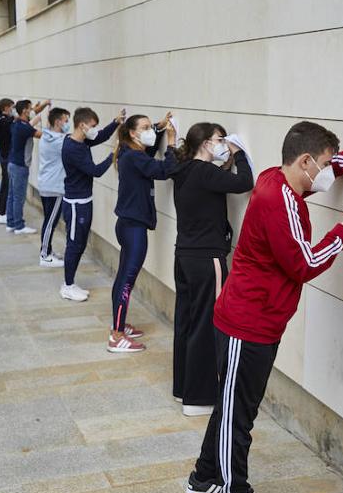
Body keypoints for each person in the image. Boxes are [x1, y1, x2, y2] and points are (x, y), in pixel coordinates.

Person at [185, 121, 343, 493]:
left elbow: (326, 167)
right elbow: (304, 263)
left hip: (253, 318)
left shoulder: (275, 179)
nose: (326, 173)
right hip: (249, 323)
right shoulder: (280, 201)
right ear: (303, 162)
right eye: (323, 165)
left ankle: (205, 476)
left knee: (231, 405)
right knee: (237, 419)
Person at [168, 122, 253, 415]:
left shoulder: (184, 170)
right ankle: (199, 399)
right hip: (208, 260)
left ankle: (183, 390)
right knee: (208, 325)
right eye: (220, 139)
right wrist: (238, 153)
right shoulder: (205, 172)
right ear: (205, 143)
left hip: (185, 257)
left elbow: (216, 184)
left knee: (186, 322)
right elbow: (244, 182)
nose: (222, 143)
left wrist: (226, 159)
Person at [106, 112, 177, 353]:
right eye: (144, 128)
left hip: (128, 225)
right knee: (127, 280)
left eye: (150, 127)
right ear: (133, 133)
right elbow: (165, 169)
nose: (149, 131)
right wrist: (172, 141)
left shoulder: (129, 152)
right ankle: (116, 336)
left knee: (123, 278)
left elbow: (148, 153)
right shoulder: (134, 157)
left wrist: (157, 130)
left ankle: (119, 325)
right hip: (133, 229)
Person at [59, 106, 124, 302]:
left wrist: (116, 122)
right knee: (74, 245)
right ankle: (67, 286)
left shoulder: (81, 140)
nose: (95, 129)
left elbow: (101, 136)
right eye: (93, 126)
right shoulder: (72, 148)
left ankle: (70, 283)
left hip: (84, 201)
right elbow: (95, 171)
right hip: (75, 203)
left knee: (80, 244)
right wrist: (114, 154)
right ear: (82, 125)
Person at [6, 98, 50, 234]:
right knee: (18, 197)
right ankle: (19, 226)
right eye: (30, 108)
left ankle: (11, 222)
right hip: (20, 166)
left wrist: (44, 105)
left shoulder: (17, 122)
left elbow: (31, 119)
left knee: (12, 195)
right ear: (25, 110)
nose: (32, 111)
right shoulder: (24, 127)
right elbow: (42, 135)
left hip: (12, 163)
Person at [35, 107, 71, 268]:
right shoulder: (59, 141)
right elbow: (73, 141)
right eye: (66, 120)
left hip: (46, 184)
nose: (68, 124)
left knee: (49, 220)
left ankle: (48, 251)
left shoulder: (46, 136)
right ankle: (45, 255)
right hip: (55, 187)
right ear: (58, 122)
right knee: (50, 222)